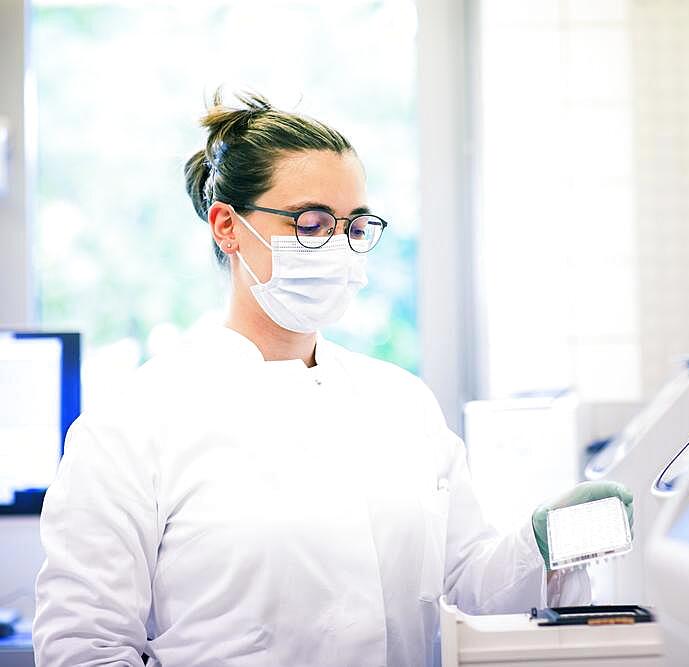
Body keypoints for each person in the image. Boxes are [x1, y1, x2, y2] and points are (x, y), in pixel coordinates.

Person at [32, 90, 633, 667]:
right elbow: (85, 645)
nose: (338, 246)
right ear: (227, 226)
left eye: (354, 225)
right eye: (311, 222)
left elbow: (467, 588)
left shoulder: (402, 405)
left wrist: (540, 544)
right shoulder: (136, 422)